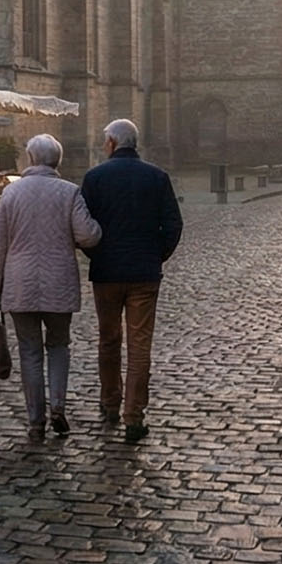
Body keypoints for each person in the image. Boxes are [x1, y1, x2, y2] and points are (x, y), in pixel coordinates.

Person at [0, 133, 101, 443]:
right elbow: (88, 235)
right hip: (58, 282)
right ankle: (58, 405)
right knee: (59, 345)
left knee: (30, 352)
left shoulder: (11, 193)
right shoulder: (69, 192)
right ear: (57, 161)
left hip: (20, 284)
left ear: (31, 159)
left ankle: (36, 421)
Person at [78, 118, 183, 444]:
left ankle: (110, 403)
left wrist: (95, 255)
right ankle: (133, 416)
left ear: (111, 142)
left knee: (108, 340)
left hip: (107, 273)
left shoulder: (94, 177)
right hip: (143, 275)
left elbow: (83, 227)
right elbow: (173, 224)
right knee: (139, 347)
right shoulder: (156, 176)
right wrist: (156, 256)